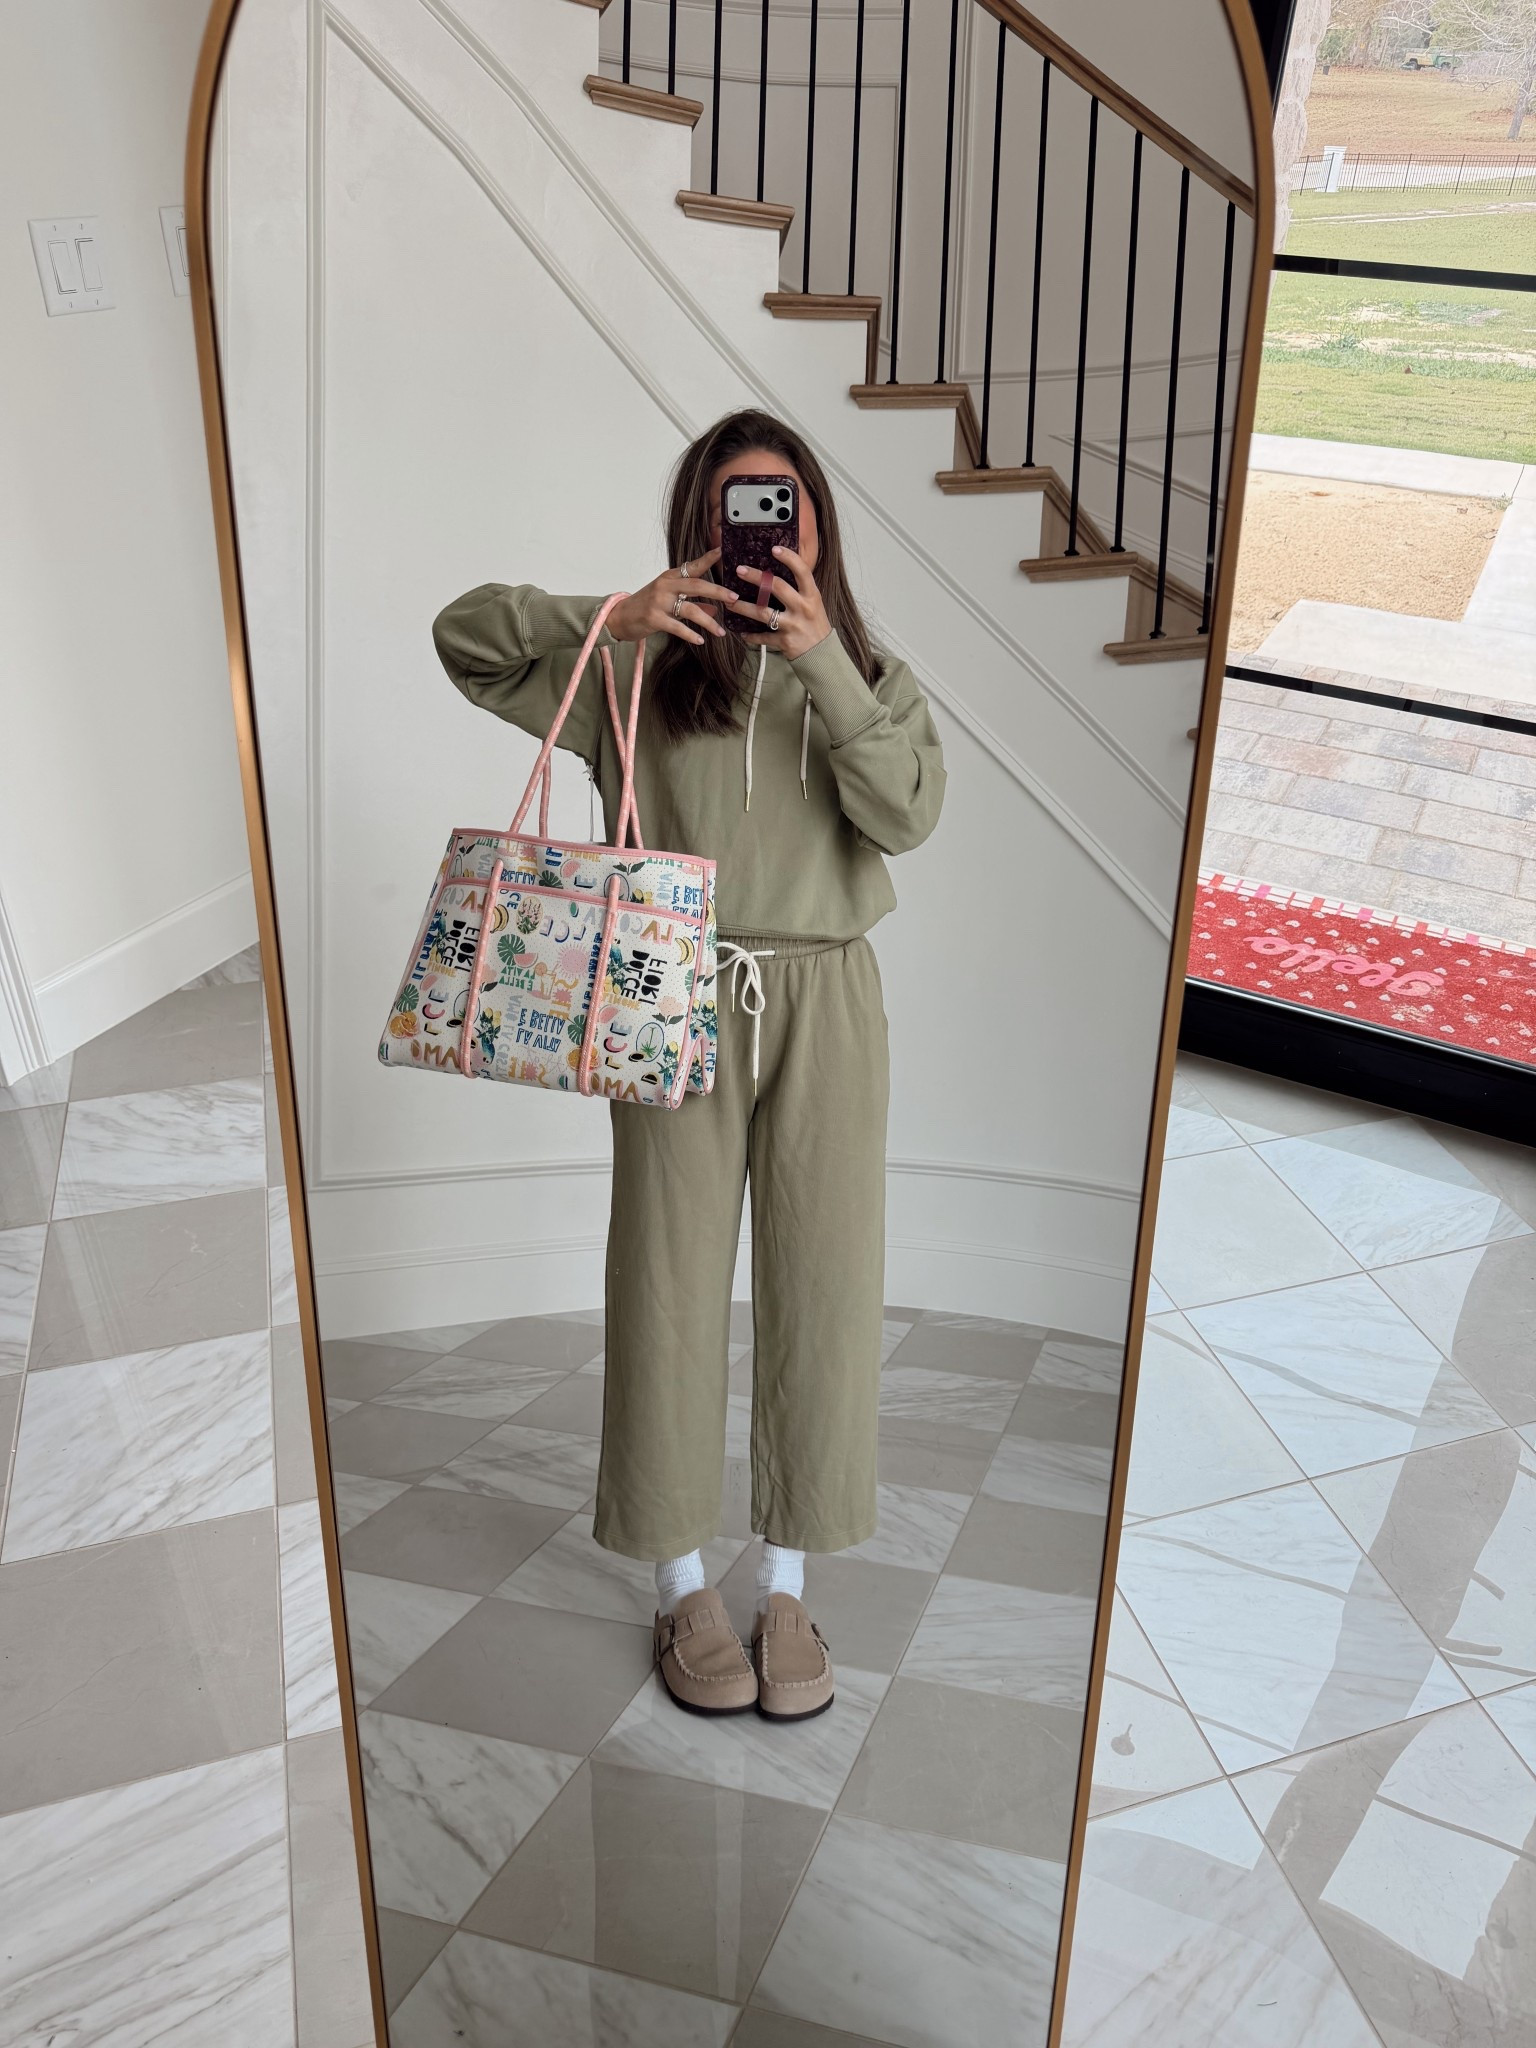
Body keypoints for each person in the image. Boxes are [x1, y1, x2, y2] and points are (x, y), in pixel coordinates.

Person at [433, 409, 945, 1721]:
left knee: (825, 1286)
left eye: (786, 505)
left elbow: (908, 814)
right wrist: (618, 612)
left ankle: (786, 1581)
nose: (764, 530)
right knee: (664, 1281)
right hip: (670, 986)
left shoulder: (871, 678)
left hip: (828, 995)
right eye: (736, 507)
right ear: (698, 528)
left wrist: (821, 662)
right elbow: (465, 639)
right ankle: (678, 1582)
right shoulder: (634, 671)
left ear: (820, 526)